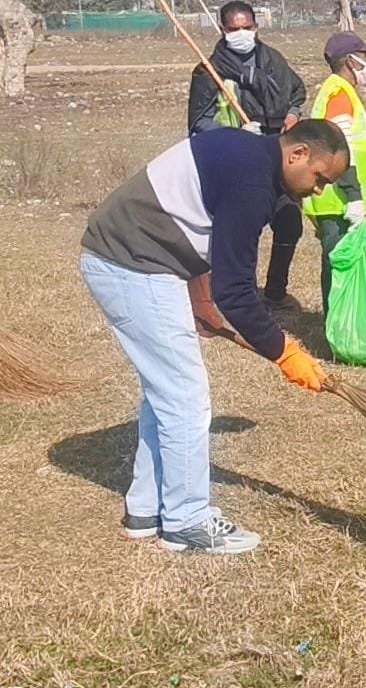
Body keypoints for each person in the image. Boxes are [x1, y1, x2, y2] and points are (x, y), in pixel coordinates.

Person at [79, 121, 350, 554]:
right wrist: (285, 353)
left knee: (165, 394)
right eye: (319, 178)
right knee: (186, 396)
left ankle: (145, 509)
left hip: (138, 260)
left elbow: (196, 221)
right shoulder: (252, 181)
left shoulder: (247, 154)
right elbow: (237, 293)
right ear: (297, 154)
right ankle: (187, 521)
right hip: (131, 264)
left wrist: (200, 299)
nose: (318, 191)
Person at [187, 0, 308, 307]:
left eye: (247, 28)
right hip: (236, 160)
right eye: (234, 29)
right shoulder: (209, 72)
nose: (242, 34)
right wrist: (236, 135)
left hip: (276, 154)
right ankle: (243, 294)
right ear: (222, 30)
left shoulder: (273, 60)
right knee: (245, 229)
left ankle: (276, 292)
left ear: (256, 27)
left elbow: (295, 92)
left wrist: (292, 115)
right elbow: (199, 123)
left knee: (289, 219)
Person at [303, 32, 366, 311]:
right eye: (365, 57)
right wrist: (354, 195)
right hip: (335, 198)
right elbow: (340, 149)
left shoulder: (337, 91)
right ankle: (339, 326)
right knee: (338, 263)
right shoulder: (339, 95)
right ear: (351, 61)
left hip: (334, 196)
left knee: (338, 261)